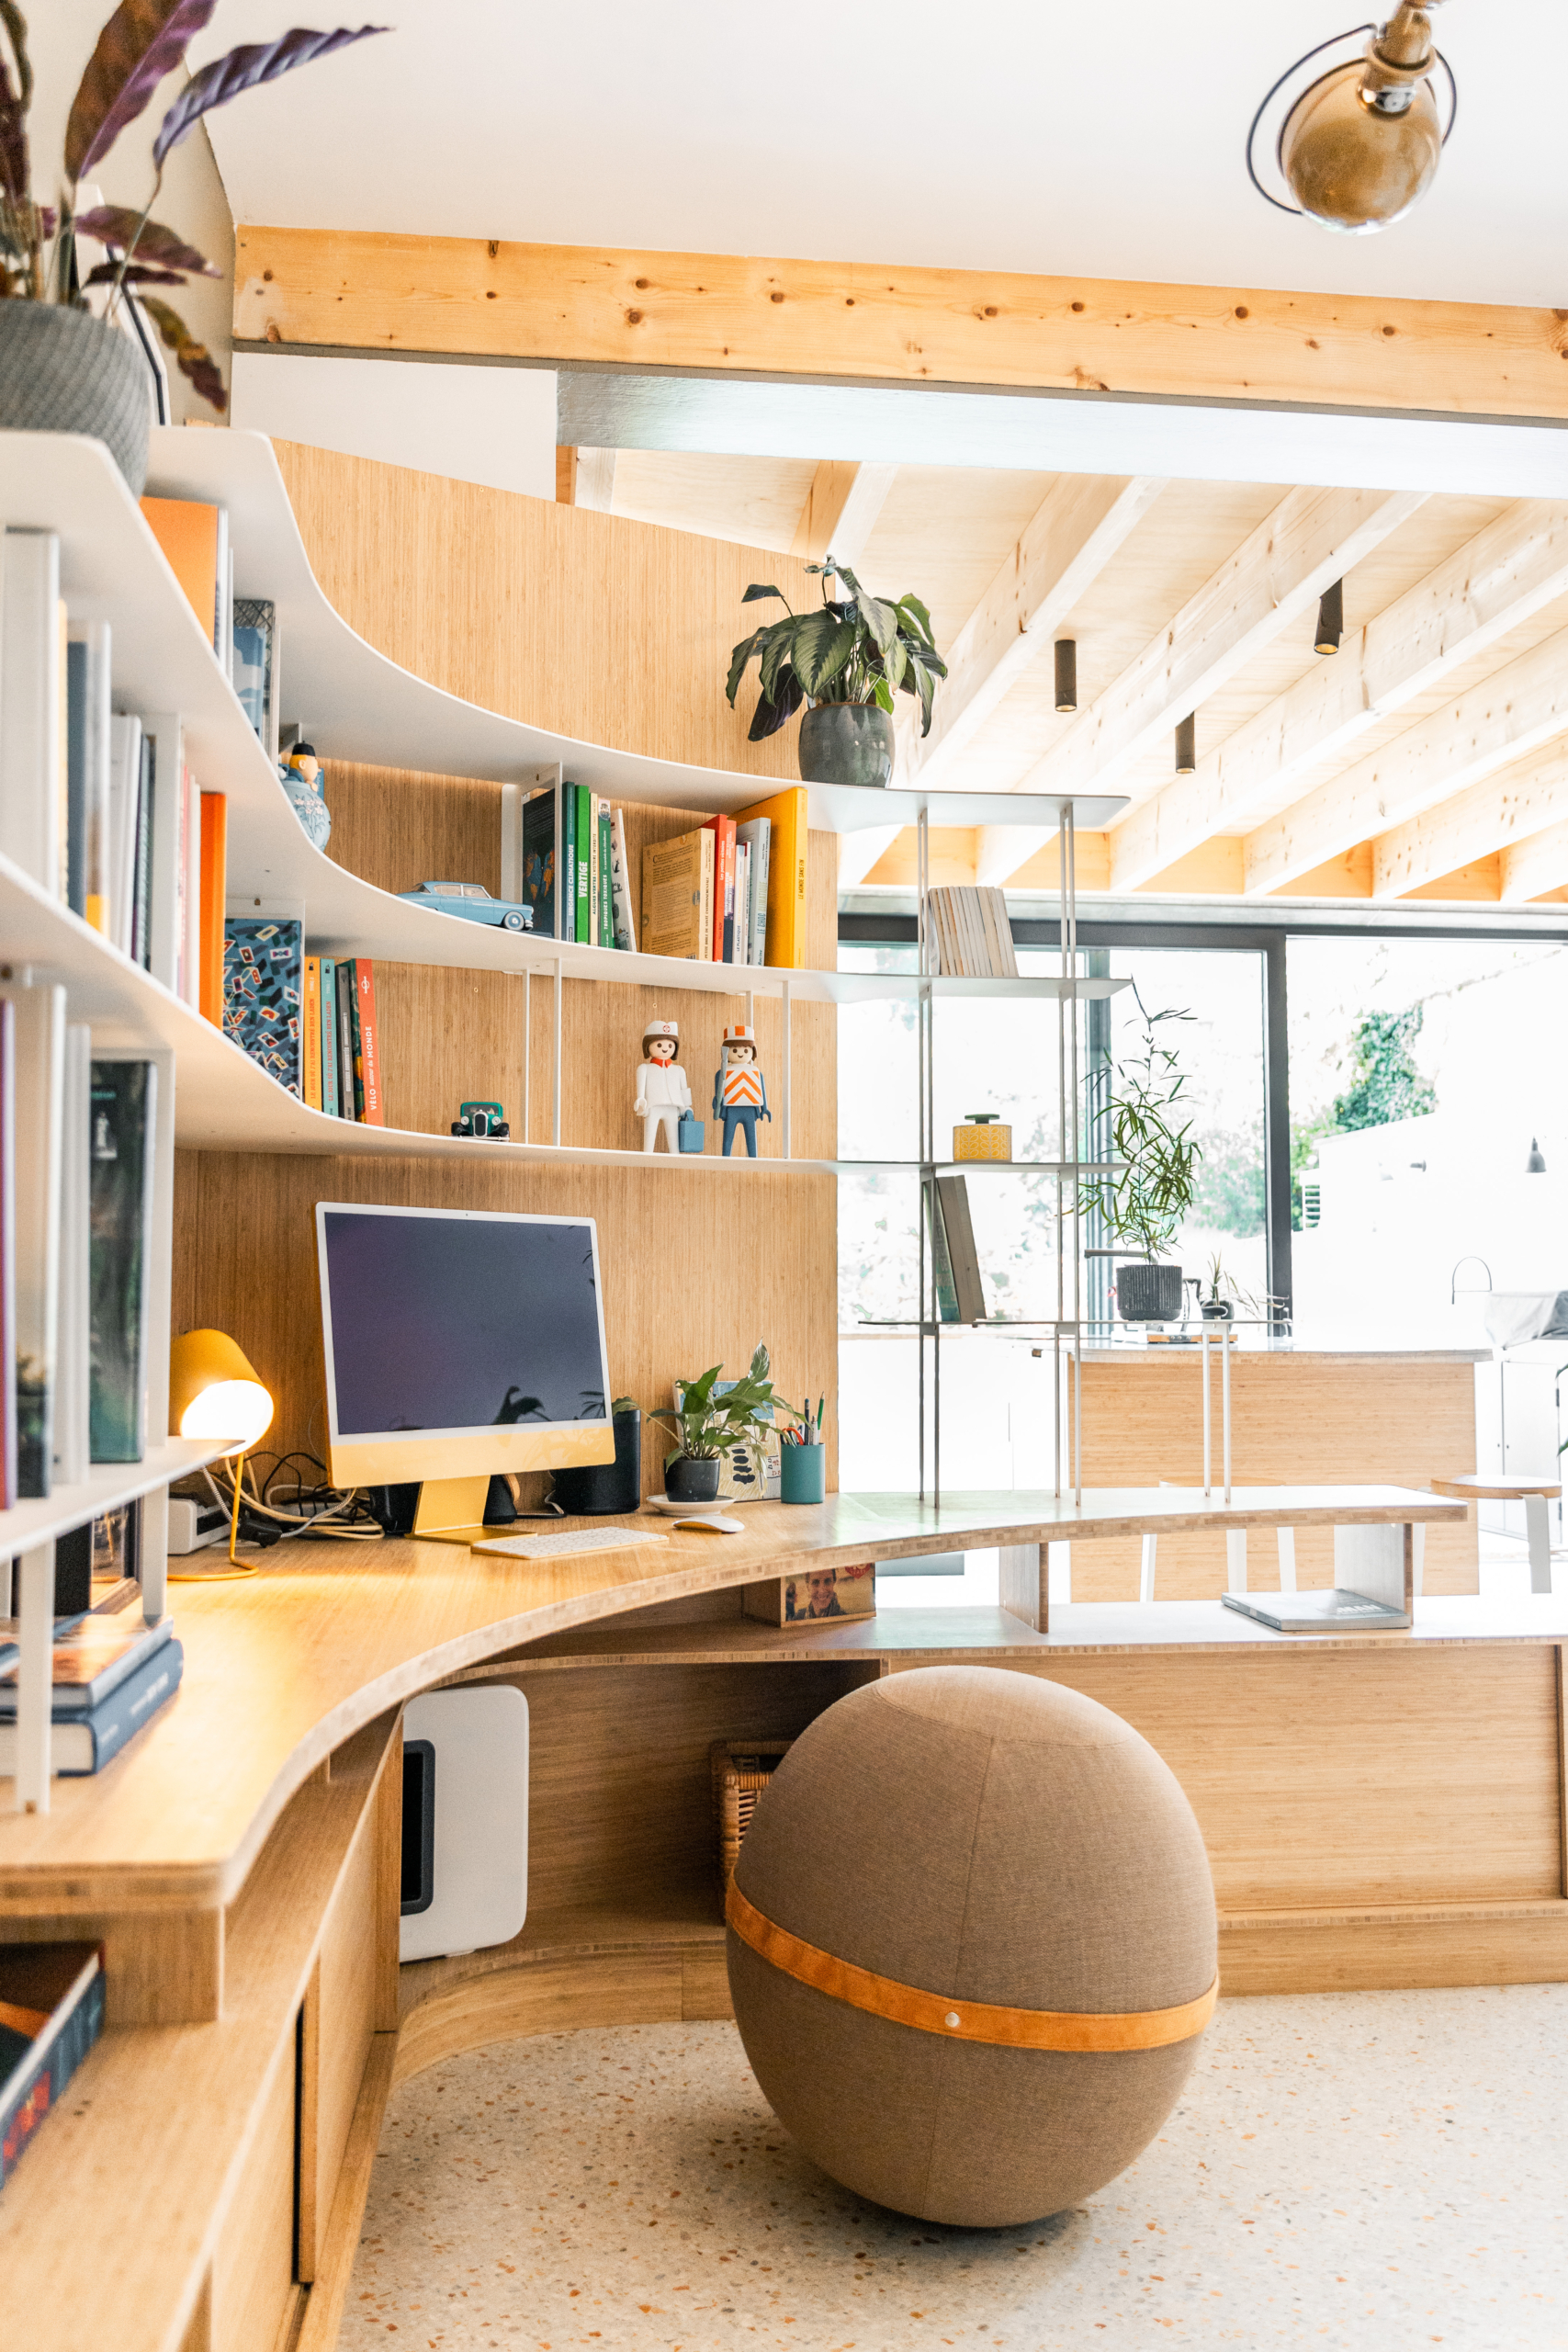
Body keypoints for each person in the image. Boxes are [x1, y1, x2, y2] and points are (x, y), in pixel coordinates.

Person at [712, 1023, 771, 1158]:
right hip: (730, 1109)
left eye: (745, 1050)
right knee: (728, 1137)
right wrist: (717, 1103)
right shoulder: (722, 1073)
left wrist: (765, 1108)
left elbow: (761, 1090)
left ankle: (753, 1158)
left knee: (751, 1137)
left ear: (752, 1052)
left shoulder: (756, 1073)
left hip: (750, 1108)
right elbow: (718, 1093)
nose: (740, 1053)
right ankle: (726, 1158)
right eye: (734, 1050)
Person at [635, 1019, 692, 1153]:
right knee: (649, 1140)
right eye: (659, 1044)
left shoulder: (679, 1070)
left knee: (674, 1143)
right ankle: (647, 1155)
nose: (665, 1048)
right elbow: (641, 1092)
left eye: (670, 1045)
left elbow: (684, 1090)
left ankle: (675, 1156)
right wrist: (641, 1102)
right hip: (653, 1106)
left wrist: (687, 1107)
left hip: (673, 1107)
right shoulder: (644, 1068)